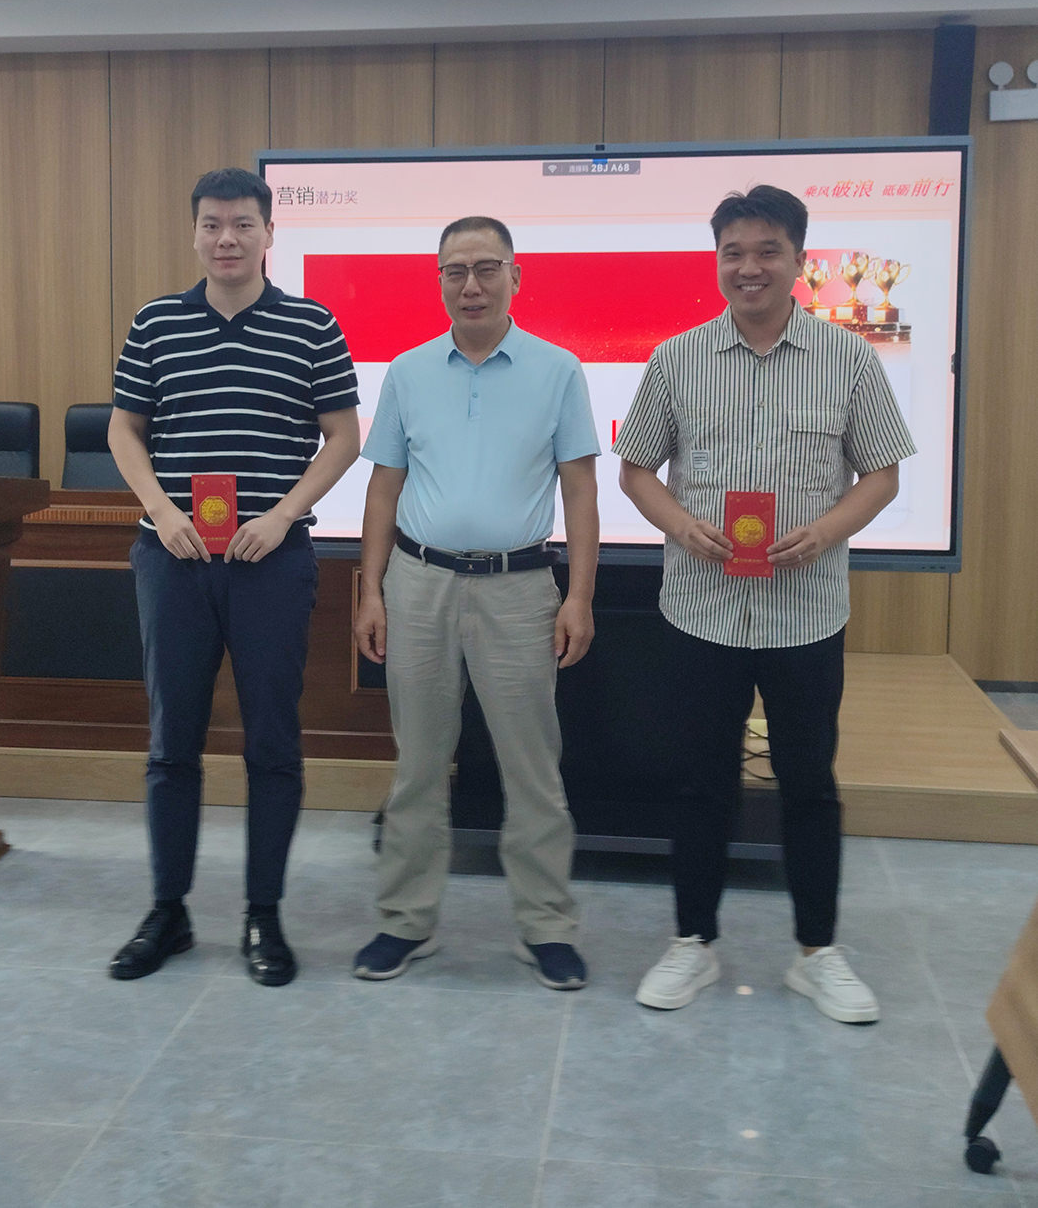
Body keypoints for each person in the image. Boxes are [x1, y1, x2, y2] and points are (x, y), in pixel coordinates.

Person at [614, 185, 915, 1023]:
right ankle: (693, 942)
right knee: (699, 781)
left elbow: (882, 472)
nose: (749, 267)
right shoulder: (676, 358)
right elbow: (636, 468)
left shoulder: (849, 358)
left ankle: (817, 953)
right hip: (701, 610)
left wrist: (825, 531)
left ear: (799, 260)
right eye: (733, 252)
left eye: (767, 250)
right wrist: (679, 523)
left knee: (809, 781)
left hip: (805, 612)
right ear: (717, 262)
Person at [107, 166, 360, 986]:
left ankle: (263, 913)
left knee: (273, 743)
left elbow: (344, 436)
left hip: (270, 563)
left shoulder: (311, 324)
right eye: (212, 224)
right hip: (173, 560)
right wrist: (161, 510)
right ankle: (168, 910)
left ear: (269, 233)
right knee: (171, 742)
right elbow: (124, 429)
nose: (227, 238)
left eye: (243, 224)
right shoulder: (155, 322)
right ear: (194, 233)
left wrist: (283, 514)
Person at [353, 216, 600, 990]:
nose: (471, 284)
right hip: (418, 582)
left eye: (486, 268)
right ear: (439, 281)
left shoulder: (558, 370)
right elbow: (383, 487)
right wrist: (370, 590)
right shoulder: (407, 372)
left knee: (533, 769)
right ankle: (405, 920)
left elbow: (581, 490)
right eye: (454, 270)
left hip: (520, 589)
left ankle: (546, 926)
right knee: (419, 764)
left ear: (515, 277)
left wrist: (580, 595)